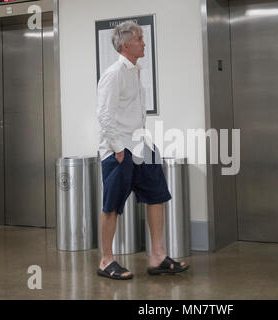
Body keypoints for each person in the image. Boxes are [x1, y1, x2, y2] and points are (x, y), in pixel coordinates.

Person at [96, 21, 189, 280]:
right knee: (112, 205)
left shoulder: (135, 71)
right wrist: (117, 147)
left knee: (156, 195)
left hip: (141, 143)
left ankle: (157, 256)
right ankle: (106, 260)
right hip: (119, 148)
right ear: (126, 45)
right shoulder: (114, 73)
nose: (143, 43)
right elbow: (103, 114)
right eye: (139, 38)